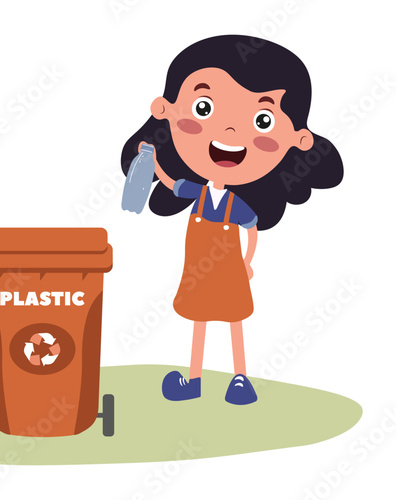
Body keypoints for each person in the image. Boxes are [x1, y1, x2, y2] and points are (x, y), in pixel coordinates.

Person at [121, 35, 343, 404]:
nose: (228, 134)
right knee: (199, 321)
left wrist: (246, 262)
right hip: (199, 271)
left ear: (299, 140)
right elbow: (172, 183)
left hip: (229, 272)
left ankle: (240, 379)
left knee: (234, 321)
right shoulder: (200, 192)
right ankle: (193, 380)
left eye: (262, 119)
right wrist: (151, 158)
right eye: (203, 108)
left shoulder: (236, 205)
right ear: (165, 109)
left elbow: (251, 229)